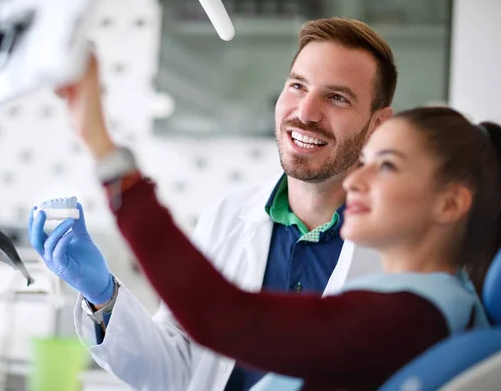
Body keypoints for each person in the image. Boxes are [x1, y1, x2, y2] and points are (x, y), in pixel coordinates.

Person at [34, 54, 501, 389]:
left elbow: (226, 318)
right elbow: (180, 368)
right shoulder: (430, 302)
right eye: (297, 85)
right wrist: (102, 296)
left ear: (450, 204)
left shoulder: (409, 315)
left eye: (388, 165)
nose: (306, 110)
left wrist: (103, 149)